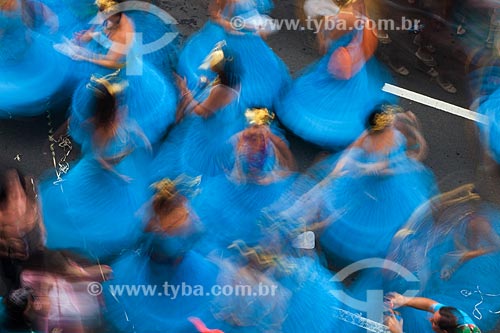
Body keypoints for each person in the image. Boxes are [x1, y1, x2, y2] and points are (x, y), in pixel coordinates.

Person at [39, 74, 151, 262]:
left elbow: (128, 123)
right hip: (98, 173)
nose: (121, 103)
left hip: (115, 167)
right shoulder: (101, 130)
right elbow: (100, 159)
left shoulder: (116, 114)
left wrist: (140, 135)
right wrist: (118, 174)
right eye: (117, 100)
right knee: (86, 208)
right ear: (110, 106)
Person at [103, 177, 222, 333]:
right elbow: (142, 235)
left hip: (182, 269)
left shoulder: (180, 212)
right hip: (157, 273)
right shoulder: (158, 220)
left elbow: (198, 232)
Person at [277, 0, 393, 149]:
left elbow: (325, 44)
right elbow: (367, 45)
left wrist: (324, 25)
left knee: (321, 91)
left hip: (335, 65)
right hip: (353, 69)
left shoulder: (342, 18)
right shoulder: (362, 18)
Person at [62, 0, 177, 145]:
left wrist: (85, 56)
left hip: (118, 73)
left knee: (114, 105)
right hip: (115, 65)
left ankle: (113, 133)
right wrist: (89, 36)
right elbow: (105, 31)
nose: (100, 17)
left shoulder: (125, 33)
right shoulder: (113, 18)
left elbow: (112, 62)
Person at [152, 41, 247, 180]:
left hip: (210, 126)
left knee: (186, 154)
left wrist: (184, 91)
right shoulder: (234, 80)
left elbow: (201, 111)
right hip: (222, 119)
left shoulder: (220, 91)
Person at [177, 0, 290, 109]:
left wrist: (258, 29)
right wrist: (240, 26)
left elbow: (255, 17)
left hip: (251, 43)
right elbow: (216, 16)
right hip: (229, 41)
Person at [0, 0, 71, 117]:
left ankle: (22, 101)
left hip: (16, 46)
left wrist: (45, 11)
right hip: (16, 45)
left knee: (18, 72)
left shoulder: (10, 8)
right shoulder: (12, 7)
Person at [385, 292, 482, 333]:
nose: (429, 319)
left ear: (444, 332)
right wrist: (404, 300)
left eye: (434, 322)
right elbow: (429, 305)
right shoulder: (458, 316)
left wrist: (398, 331)